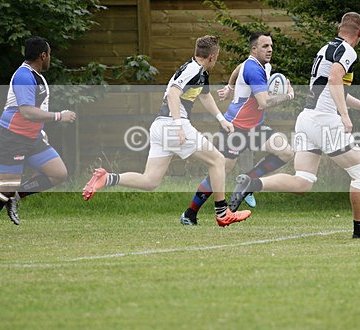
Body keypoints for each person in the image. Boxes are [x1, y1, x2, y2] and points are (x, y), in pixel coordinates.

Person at [228, 13, 360, 238]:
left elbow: (330, 87)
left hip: (307, 119)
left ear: (339, 28)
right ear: (359, 33)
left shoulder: (325, 49)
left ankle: (253, 183)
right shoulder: (348, 50)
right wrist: (345, 116)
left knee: (303, 181)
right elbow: (334, 80)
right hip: (324, 120)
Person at [82, 35, 251, 227]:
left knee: (150, 181)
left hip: (160, 126)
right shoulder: (193, 70)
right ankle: (223, 213)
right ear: (212, 56)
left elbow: (204, 96)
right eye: (217, 57)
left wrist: (221, 119)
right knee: (218, 160)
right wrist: (178, 126)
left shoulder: (199, 72)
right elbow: (173, 93)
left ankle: (107, 178)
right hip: (172, 125)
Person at [180, 31, 295, 225]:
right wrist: (289, 96)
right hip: (235, 128)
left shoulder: (260, 65)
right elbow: (264, 102)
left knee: (286, 151)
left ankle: (248, 181)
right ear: (254, 49)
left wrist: (230, 87)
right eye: (265, 46)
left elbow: (237, 69)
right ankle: (190, 213)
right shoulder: (253, 69)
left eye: (271, 46)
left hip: (255, 127)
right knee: (221, 170)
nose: (270, 50)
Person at [0, 37, 76, 237]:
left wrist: (40, 131)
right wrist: (59, 116)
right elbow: (27, 112)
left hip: (31, 138)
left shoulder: (37, 76)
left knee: (58, 173)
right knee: (7, 186)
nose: (50, 58)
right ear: (43, 55)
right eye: (49, 54)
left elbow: (36, 110)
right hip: (11, 139)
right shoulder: (23, 76)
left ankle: (15, 197)